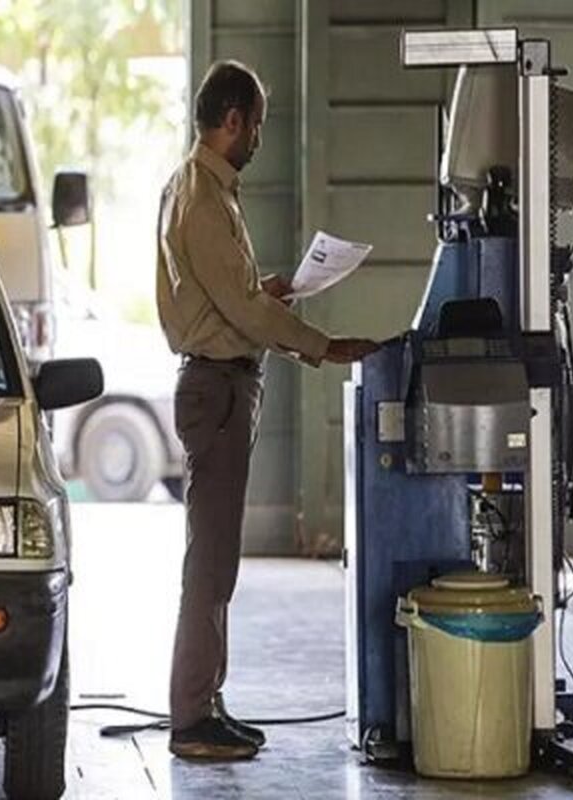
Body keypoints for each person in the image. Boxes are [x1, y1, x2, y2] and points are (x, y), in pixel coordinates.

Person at [156, 60, 379, 761]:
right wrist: (324, 345)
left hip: (225, 381)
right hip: (217, 386)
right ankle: (191, 717)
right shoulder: (201, 197)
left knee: (218, 559)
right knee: (212, 561)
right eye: (255, 122)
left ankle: (206, 703)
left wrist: (271, 287)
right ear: (232, 121)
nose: (257, 135)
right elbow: (242, 311)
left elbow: (229, 292)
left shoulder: (203, 188)